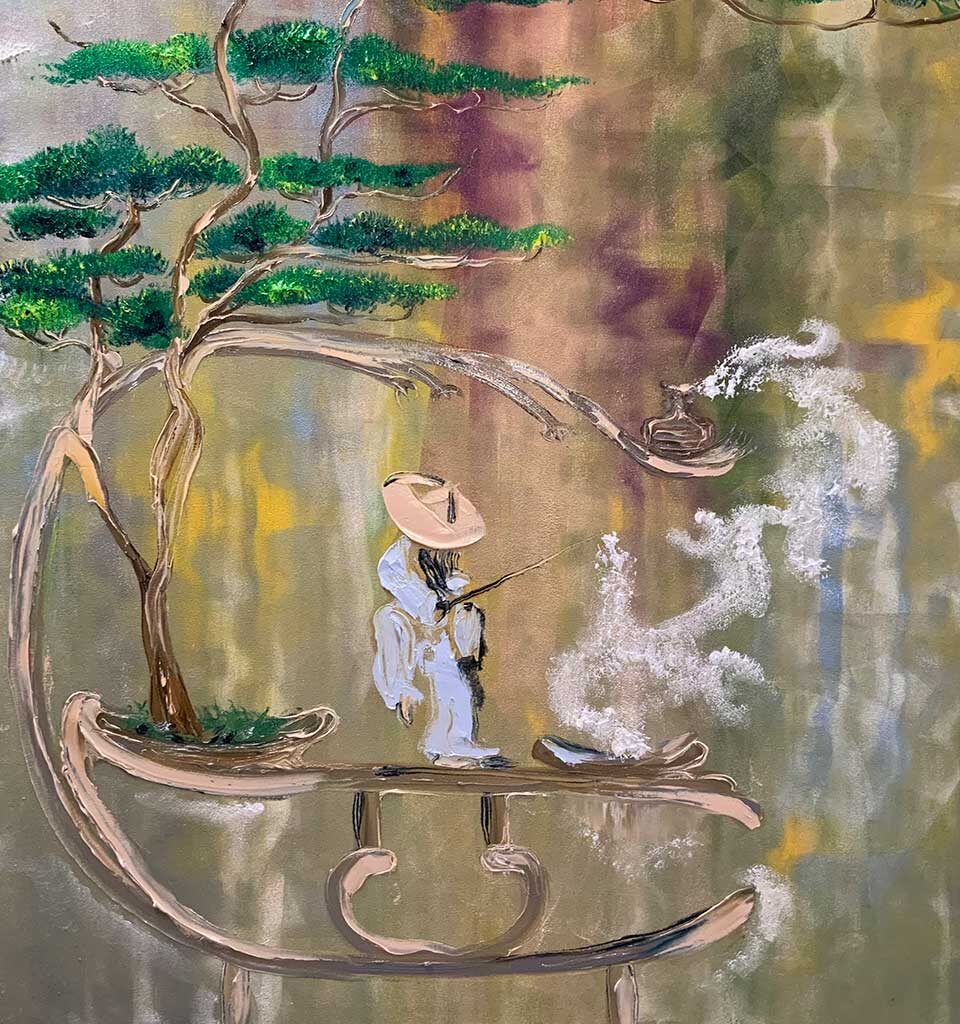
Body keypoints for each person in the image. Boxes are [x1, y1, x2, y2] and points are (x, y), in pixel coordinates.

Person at [372, 472, 506, 768]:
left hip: (438, 627)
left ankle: (457, 742)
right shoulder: (397, 558)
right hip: (407, 623)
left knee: (452, 679)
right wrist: (429, 605)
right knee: (394, 631)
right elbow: (403, 588)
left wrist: (455, 594)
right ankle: (428, 730)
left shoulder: (442, 555)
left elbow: (450, 583)